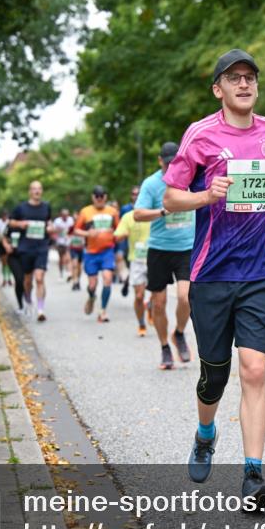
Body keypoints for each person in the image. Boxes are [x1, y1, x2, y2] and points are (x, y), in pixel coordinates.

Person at [163, 49, 265, 508]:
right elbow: (170, 198)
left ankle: (253, 477)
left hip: (261, 270)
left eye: (250, 77)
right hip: (211, 273)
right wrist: (207, 195)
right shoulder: (200, 136)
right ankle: (206, 433)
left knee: (255, 369)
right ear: (218, 89)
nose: (244, 84)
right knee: (214, 377)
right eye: (234, 78)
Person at [133, 142, 195, 370]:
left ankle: (178, 333)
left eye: (174, 162)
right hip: (159, 250)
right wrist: (162, 211)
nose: (171, 166)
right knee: (158, 304)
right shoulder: (151, 184)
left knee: (185, 297)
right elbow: (137, 214)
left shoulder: (192, 178)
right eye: (167, 162)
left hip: (187, 248)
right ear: (160, 161)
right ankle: (164, 348)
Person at [8, 181, 53, 321]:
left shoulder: (46, 207)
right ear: (30, 191)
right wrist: (20, 224)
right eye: (34, 189)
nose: (37, 191)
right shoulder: (21, 208)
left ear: (42, 191)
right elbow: (10, 222)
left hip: (41, 247)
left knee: (39, 278)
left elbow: (49, 222)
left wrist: (50, 228)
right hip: (25, 248)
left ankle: (40, 309)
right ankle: (28, 300)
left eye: (39, 189)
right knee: (27, 280)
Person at [75, 186, 119, 323]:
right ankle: (92, 297)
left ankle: (103, 311)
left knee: (107, 278)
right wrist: (88, 233)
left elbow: (118, 229)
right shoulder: (86, 211)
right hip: (91, 253)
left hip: (107, 251)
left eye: (102, 196)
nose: (99, 198)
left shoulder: (112, 212)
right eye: (97, 196)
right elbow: (76, 230)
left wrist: (117, 235)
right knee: (92, 285)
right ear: (92, 197)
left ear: (106, 197)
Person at [113, 205, 152, 336]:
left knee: (157, 295)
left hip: (156, 258)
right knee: (139, 296)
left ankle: (151, 307)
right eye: (135, 195)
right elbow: (117, 236)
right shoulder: (128, 216)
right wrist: (123, 234)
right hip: (137, 260)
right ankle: (141, 323)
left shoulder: (157, 213)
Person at [52, 208, 75, 280]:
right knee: (61, 259)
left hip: (68, 242)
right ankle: (61, 272)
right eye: (64, 215)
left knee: (68, 257)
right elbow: (52, 231)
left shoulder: (71, 220)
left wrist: (71, 235)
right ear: (61, 215)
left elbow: (74, 230)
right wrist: (55, 237)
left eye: (67, 215)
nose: (65, 216)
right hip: (60, 242)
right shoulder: (57, 221)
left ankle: (69, 272)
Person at [0, 210, 12, 286]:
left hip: (8, 242)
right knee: (4, 262)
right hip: (0, 243)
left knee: (9, 262)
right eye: (3, 216)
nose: (4, 217)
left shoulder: (9, 222)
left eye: (6, 216)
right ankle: (4, 278)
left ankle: (9, 278)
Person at [68, 208, 84, 290]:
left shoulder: (84, 226)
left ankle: (78, 281)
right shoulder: (71, 227)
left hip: (81, 249)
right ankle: (74, 282)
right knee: (74, 265)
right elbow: (68, 235)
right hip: (73, 248)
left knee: (79, 266)